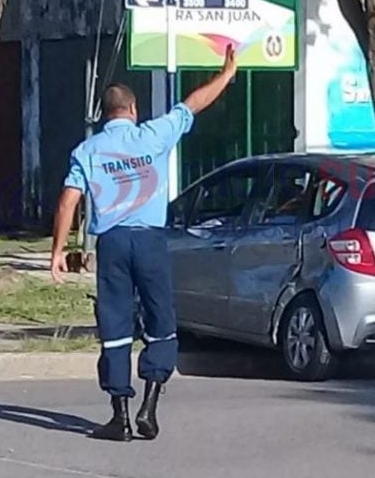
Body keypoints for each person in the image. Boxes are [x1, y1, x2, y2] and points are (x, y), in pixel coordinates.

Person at [50, 45, 238, 442]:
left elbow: (68, 200)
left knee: (115, 325)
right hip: (151, 241)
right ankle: (149, 407)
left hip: (113, 245)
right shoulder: (154, 135)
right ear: (133, 109)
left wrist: (56, 254)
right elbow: (193, 103)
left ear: (104, 115)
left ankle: (118, 416)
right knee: (159, 320)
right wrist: (226, 73)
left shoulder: (87, 151)